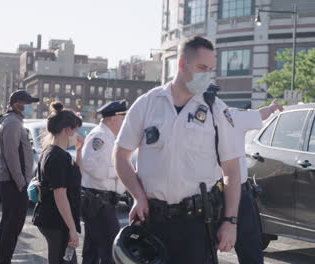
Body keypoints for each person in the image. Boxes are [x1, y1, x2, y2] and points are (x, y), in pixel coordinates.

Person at [114, 36, 243, 264]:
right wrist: (138, 196)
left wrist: (230, 222)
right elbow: (121, 155)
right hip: (152, 222)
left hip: (196, 225)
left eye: (210, 70)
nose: (207, 75)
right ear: (182, 64)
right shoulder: (147, 104)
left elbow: (231, 170)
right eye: (202, 68)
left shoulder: (216, 111)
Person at [226, 100, 283, 264]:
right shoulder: (231, 114)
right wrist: (272, 108)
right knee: (250, 250)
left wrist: (270, 109)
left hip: (213, 193)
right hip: (234, 192)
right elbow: (260, 115)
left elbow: (259, 115)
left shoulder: (198, 117)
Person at [32, 102, 83, 264]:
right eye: (76, 129)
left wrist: (80, 151)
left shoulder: (55, 152)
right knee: (62, 260)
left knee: (64, 260)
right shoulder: (57, 157)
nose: (77, 133)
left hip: (54, 218)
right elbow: (60, 195)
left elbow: (76, 174)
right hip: (56, 220)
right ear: (67, 130)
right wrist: (72, 229)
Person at [80, 100, 127, 264]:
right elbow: (88, 164)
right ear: (114, 119)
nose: (125, 122)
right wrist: (116, 173)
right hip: (99, 202)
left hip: (103, 202)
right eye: (123, 118)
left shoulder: (108, 136)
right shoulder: (100, 136)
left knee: (92, 249)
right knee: (109, 249)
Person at [0, 90, 38, 264]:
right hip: (13, 182)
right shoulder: (13, 123)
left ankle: (3, 259)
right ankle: (3, 260)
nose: (30, 106)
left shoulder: (14, 121)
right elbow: (11, 154)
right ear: (17, 105)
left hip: (13, 181)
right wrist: (21, 182)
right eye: (27, 103)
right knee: (12, 225)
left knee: (10, 224)